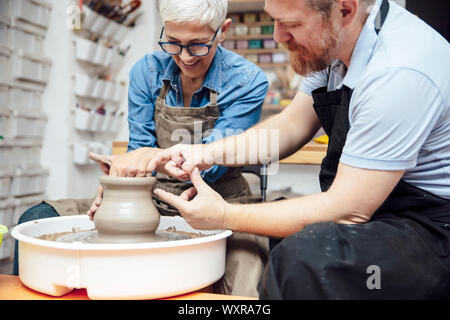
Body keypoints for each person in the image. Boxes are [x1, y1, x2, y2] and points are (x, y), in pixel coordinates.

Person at [140, 0, 450, 299]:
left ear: (344, 10)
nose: (277, 36)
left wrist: (223, 215)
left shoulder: (398, 71)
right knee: (279, 234)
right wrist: (206, 153)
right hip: (381, 207)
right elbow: (290, 126)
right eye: (274, 19)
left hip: (431, 228)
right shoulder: (336, 44)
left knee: (304, 259)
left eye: (290, 24)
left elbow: (348, 210)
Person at [14, 0, 269, 297]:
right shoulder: (146, 72)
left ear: (222, 31)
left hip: (220, 201)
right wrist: (118, 181)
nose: (184, 57)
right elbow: (139, 149)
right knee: (35, 218)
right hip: (150, 197)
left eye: (198, 45)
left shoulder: (248, 81)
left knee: (242, 286)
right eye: (173, 43)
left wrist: (148, 158)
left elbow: (213, 162)